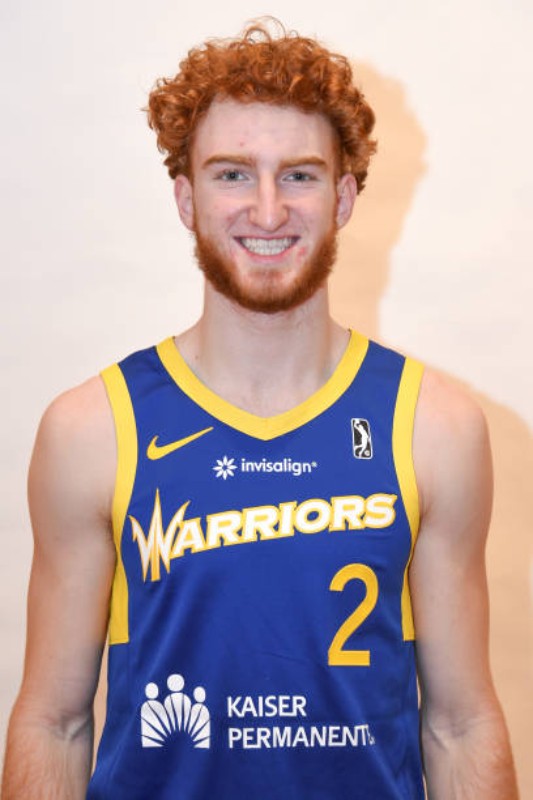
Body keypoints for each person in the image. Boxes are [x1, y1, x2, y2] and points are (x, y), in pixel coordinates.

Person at [1, 19, 519, 800]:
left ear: (342, 197)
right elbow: (54, 723)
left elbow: (460, 724)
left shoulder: (433, 427)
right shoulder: (93, 431)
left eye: (299, 175)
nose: (268, 211)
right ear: (186, 197)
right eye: (233, 174)